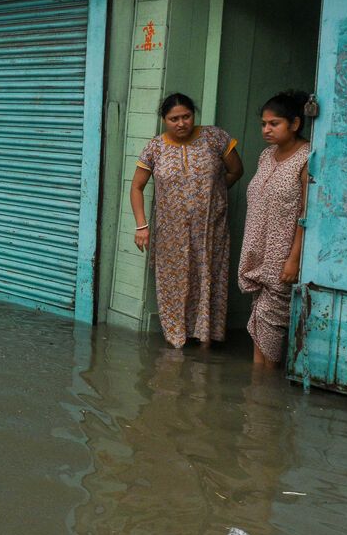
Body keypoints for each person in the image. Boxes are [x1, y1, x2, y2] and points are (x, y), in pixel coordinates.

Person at [130, 93, 243, 348]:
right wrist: (142, 226)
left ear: (194, 115)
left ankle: (206, 341)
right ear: (164, 120)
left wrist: (214, 194)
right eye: (174, 119)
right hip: (171, 232)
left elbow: (236, 171)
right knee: (175, 282)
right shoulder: (155, 148)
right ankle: (177, 342)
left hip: (209, 229)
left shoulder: (215, 138)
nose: (181, 123)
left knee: (208, 278)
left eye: (186, 117)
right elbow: (136, 187)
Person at [237, 91, 311, 367]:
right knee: (259, 321)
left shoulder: (306, 158)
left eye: (274, 123)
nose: (266, 129)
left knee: (270, 322)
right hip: (258, 254)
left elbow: (307, 213)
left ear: (294, 124)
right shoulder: (266, 156)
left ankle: (261, 393)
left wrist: (293, 259)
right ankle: (259, 392)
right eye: (263, 124)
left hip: (282, 258)